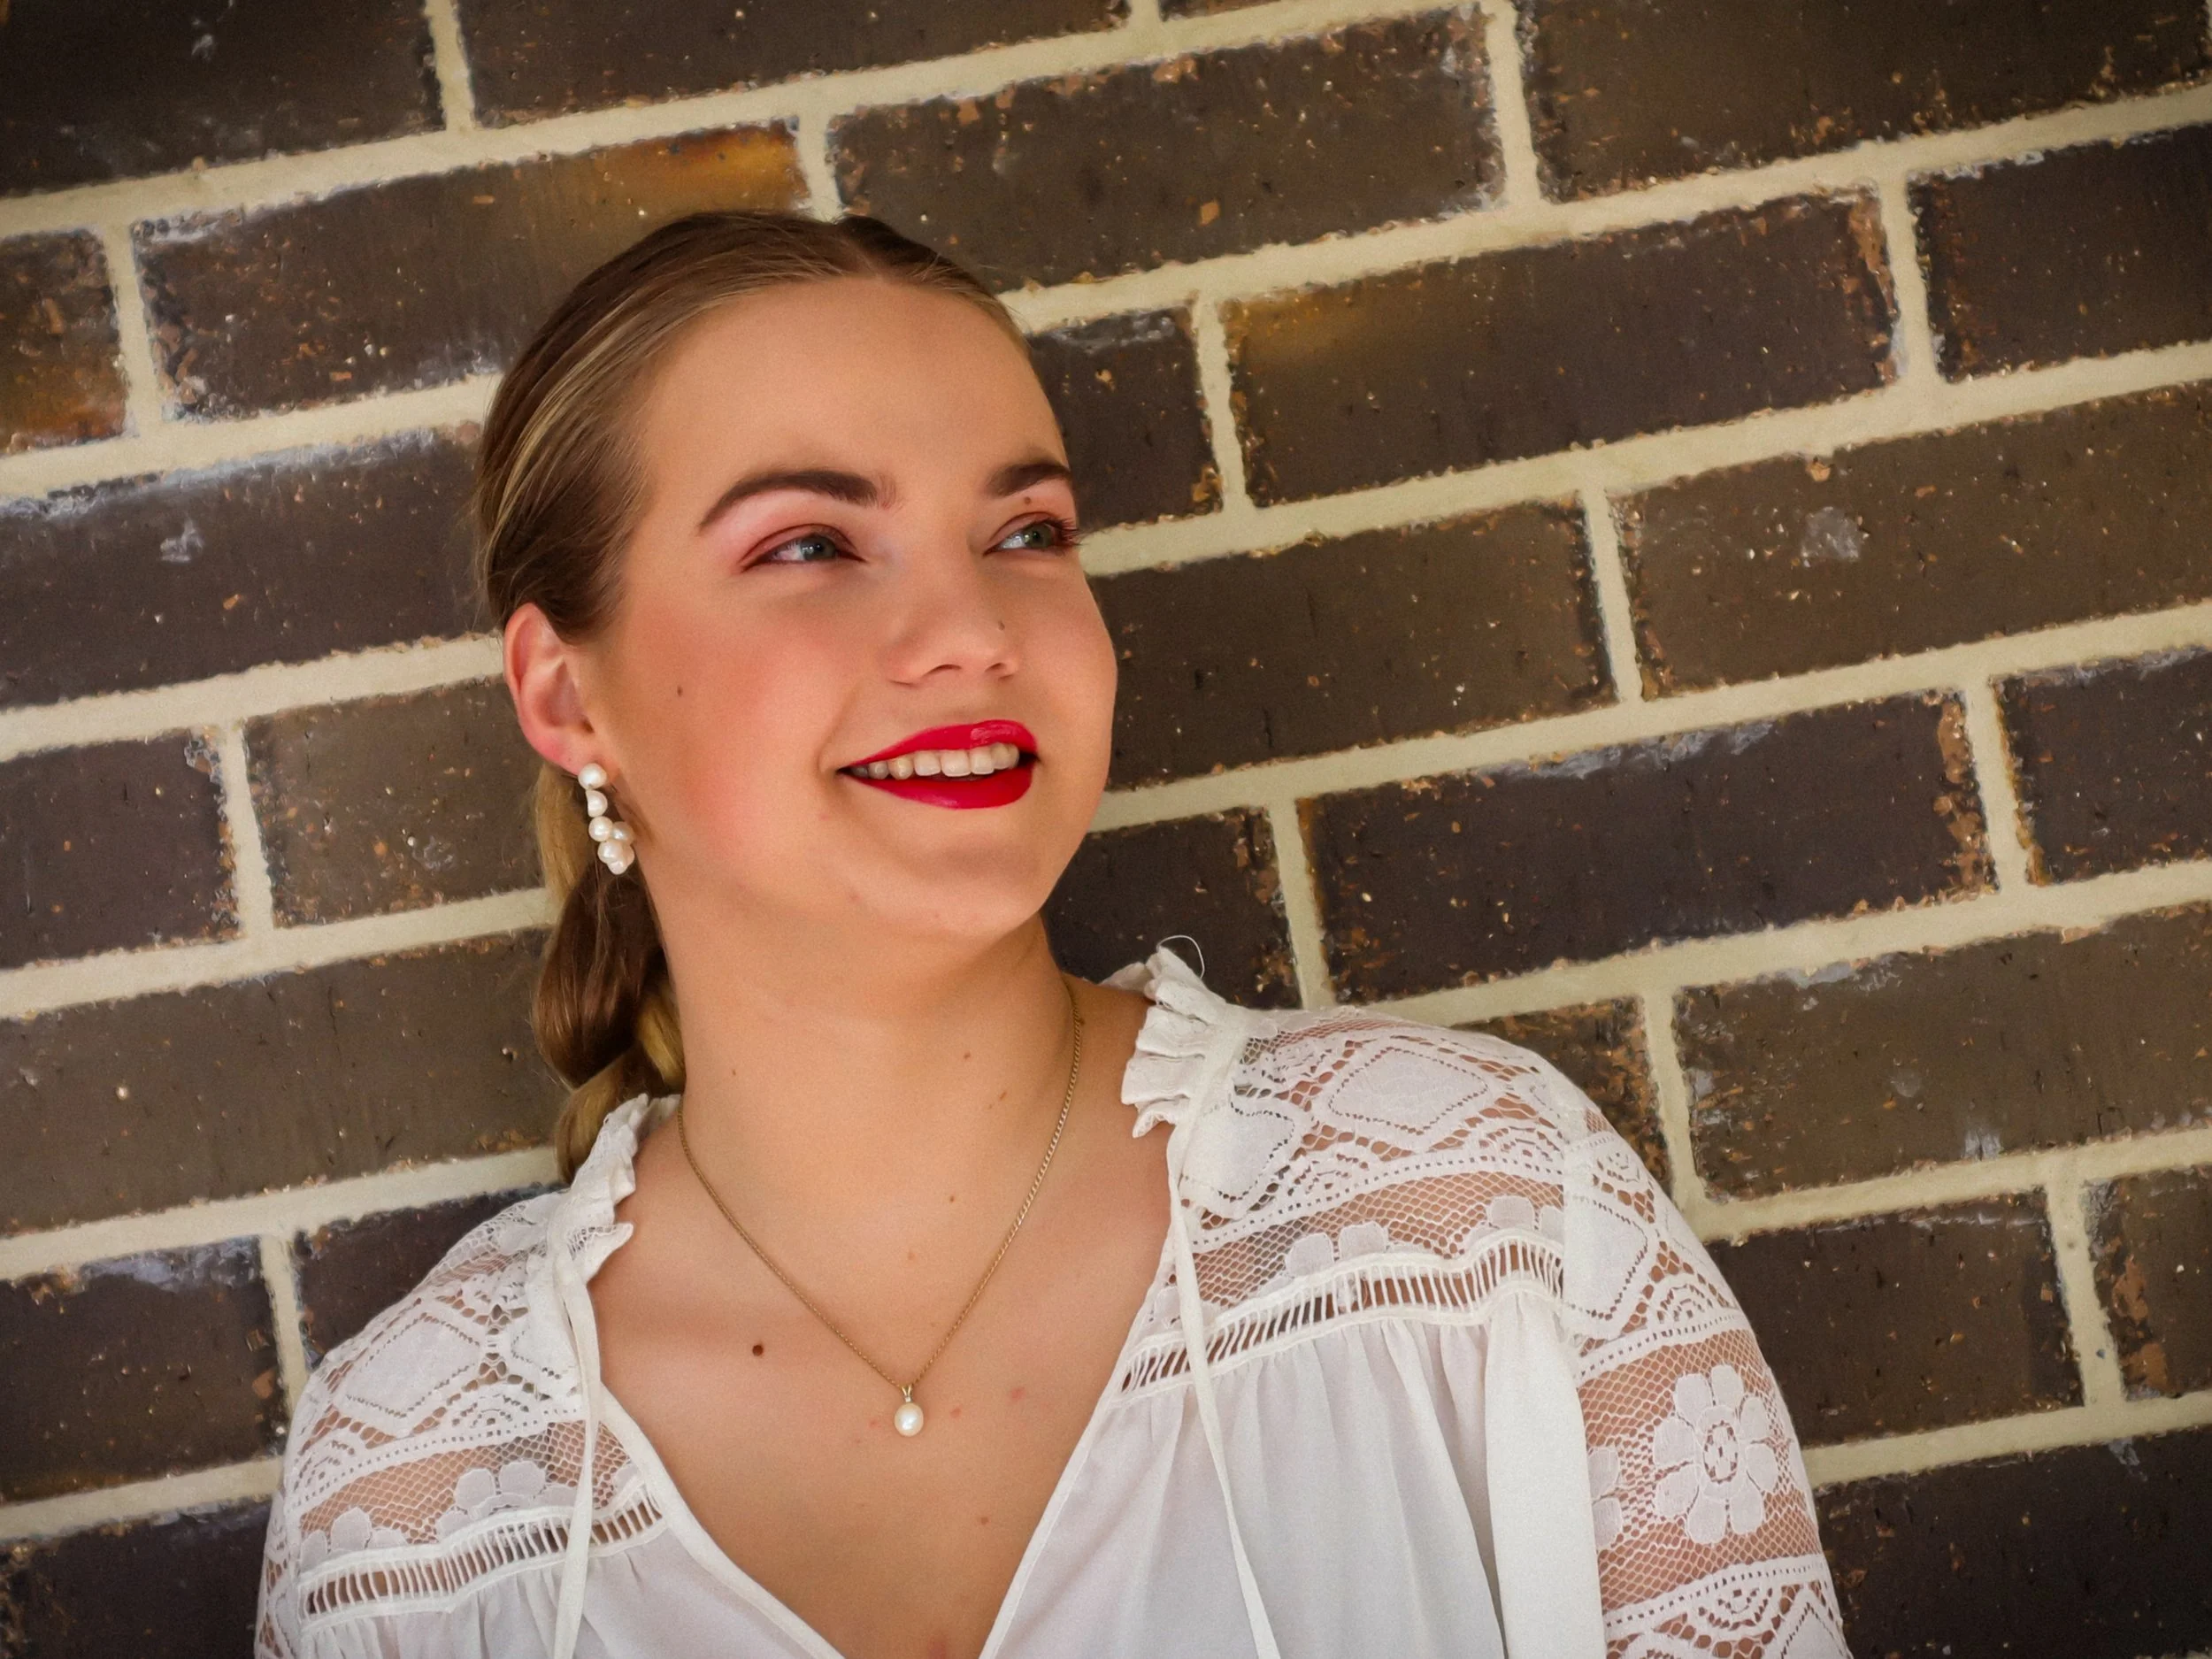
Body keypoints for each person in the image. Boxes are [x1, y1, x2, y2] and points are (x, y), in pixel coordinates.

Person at [256, 210, 1846, 1659]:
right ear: (565, 691)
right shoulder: (408, 1506)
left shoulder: (1473, 1220)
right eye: (809, 544)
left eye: (1025, 532)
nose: (971, 630)